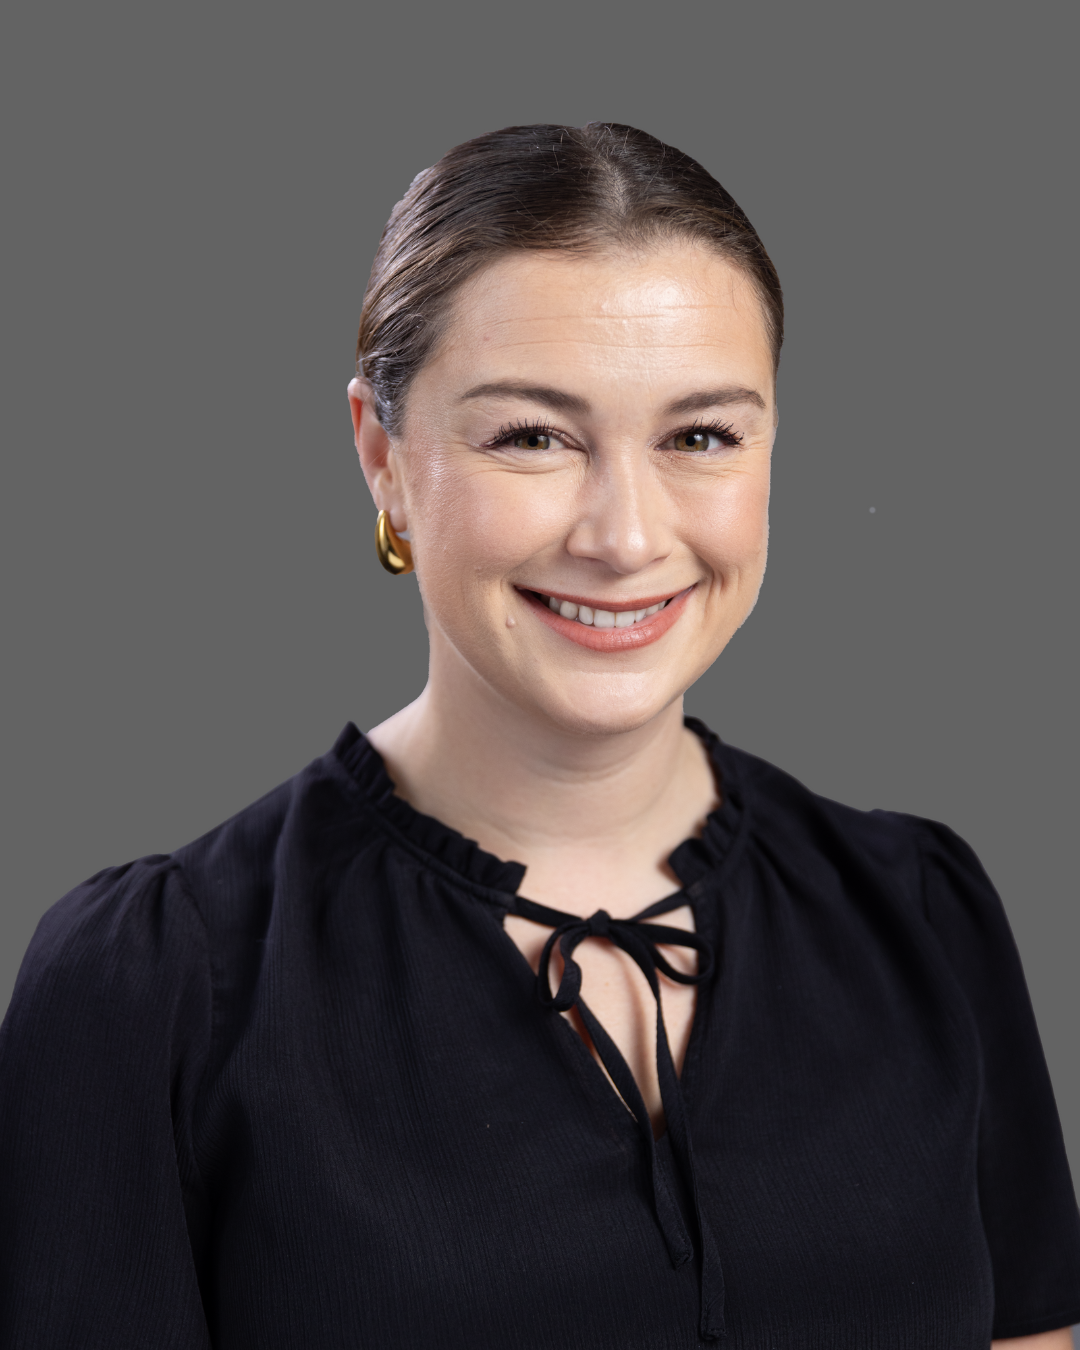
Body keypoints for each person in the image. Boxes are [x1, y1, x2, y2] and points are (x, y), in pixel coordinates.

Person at [1, 122, 1077, 1350]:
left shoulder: (924, 914)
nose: (625, 535)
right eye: (533, 437)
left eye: (700, 436)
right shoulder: (152, 986)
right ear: (383, 456)